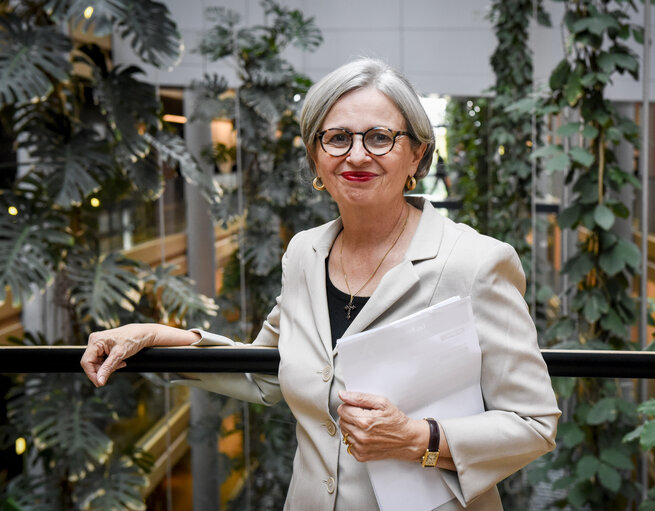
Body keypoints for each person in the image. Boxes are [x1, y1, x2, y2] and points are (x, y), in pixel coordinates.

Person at [82, 58, 560, 510]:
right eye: (337, 138)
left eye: (379, 137)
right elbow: (270, 368)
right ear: (315, 155)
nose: (356, 154)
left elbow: (533, 424)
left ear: (417, 153)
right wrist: (158, 337)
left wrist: (419, 439)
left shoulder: (475, 263)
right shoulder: (304, 254)